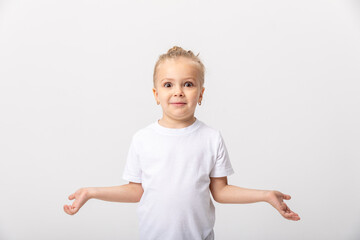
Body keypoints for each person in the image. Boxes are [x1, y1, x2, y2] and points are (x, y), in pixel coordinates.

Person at [63, 46, 300, 240]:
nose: (178, 92)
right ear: (156, 94)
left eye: (188, 84)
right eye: (168, 85)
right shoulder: (143, 139)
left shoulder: (211, 138)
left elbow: (221, 191)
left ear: (201, 94)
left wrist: (265, 195)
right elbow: (136, 190)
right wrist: (92, 192)